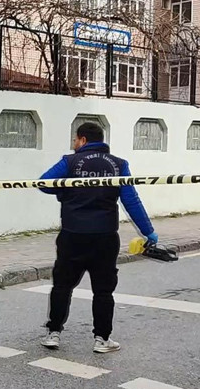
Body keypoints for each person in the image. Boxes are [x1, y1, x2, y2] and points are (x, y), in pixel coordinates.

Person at [38, 122, 158, 353]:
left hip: (72, 235)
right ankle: (102, 339)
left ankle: (53, 333)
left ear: (83, 140)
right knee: (103, 290)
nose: (73, 144)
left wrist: (65, 191)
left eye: (75, 140)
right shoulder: (118, 164)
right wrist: (148, 231)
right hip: (105, 236)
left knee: (62, 285)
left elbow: (44, 182)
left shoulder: (69, 162)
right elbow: (130, 200)